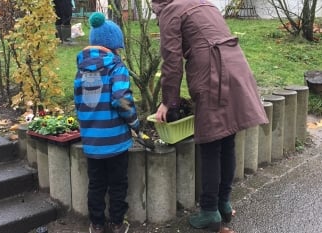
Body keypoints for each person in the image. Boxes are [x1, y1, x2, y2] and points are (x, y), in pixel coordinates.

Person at [151, 0, 269, 232]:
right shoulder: (205, 3)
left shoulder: (171, 10)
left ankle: (209, 212)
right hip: (236, 66)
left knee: (210, 142)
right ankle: (223, 204)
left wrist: (168, 102)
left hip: (213, 73)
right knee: (227, 139)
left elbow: (172, 61)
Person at [74, 12, 139, 233]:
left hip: (92, 141)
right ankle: (118, 223)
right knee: (118, 184)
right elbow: (122, 100)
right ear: (113, 46)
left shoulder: (81, 69)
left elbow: (78, 102)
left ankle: (97, 224)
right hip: (115, 141)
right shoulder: (116, 67)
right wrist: (135, 123)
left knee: (96, 184)